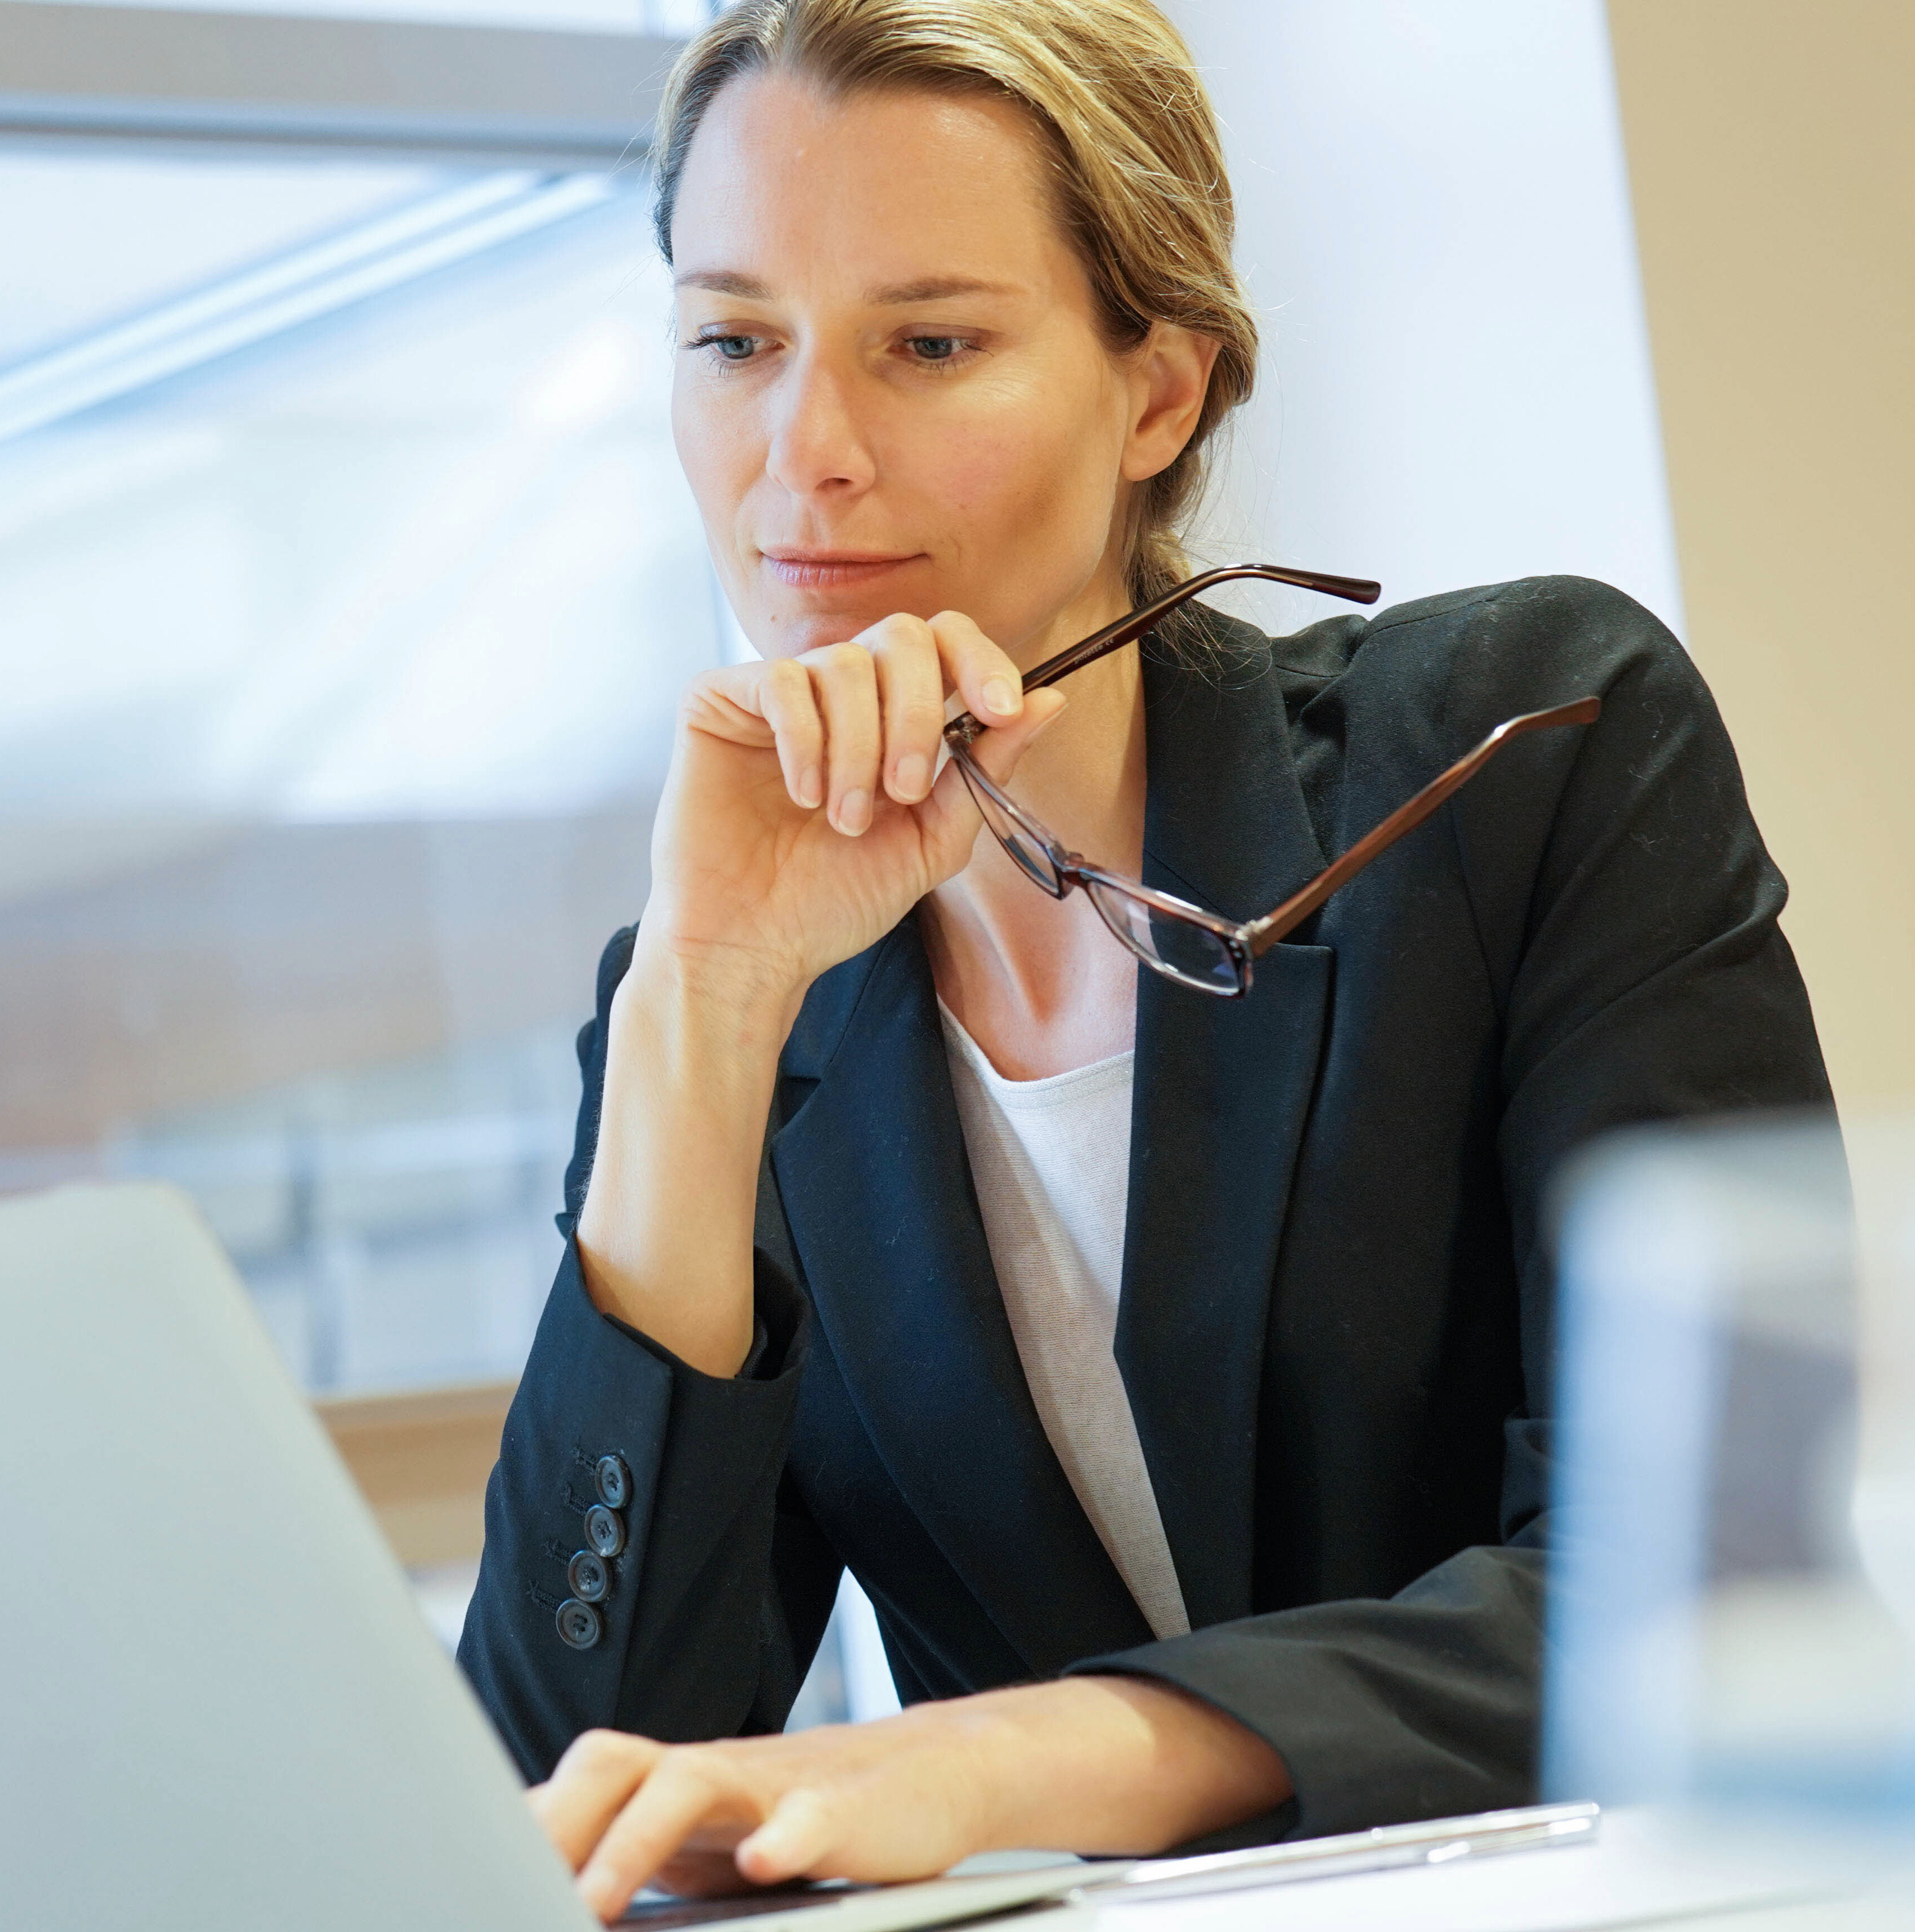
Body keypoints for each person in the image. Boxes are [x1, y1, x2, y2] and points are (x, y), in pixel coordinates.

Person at [455, 0, 1832, 1919]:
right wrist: (702, 1000)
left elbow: (1722, 1588)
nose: (807, 453)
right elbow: (571, 1782)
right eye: (733, 342)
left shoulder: (1527, 744)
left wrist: (1002, 1757)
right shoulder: (710, 998)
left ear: (1161, 393)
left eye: (929, 344)